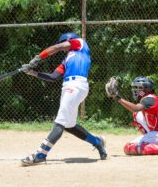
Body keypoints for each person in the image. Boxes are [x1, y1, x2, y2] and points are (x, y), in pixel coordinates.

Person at [21, 32, 107, 166]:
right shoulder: (66, 59)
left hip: (76, 85)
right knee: (69, 126)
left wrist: (38, 57)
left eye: (64, 45)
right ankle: (97, 142)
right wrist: (31, 72)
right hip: (68, 87)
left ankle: (41, 154)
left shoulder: (80, 44)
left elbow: (57, 47)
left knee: (59, 123)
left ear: (69, 40)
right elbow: (53, 77)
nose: (63, 48)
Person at [108, 76, 158, 156]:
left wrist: (117, 97)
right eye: (136, 87)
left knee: (129, 147)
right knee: (137, 115)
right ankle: (156, 145)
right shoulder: (147, 99)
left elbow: (135, 108)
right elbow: (136, 113)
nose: (136, 90)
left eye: (139, 87)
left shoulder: (150, 99)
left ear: (147, 89)